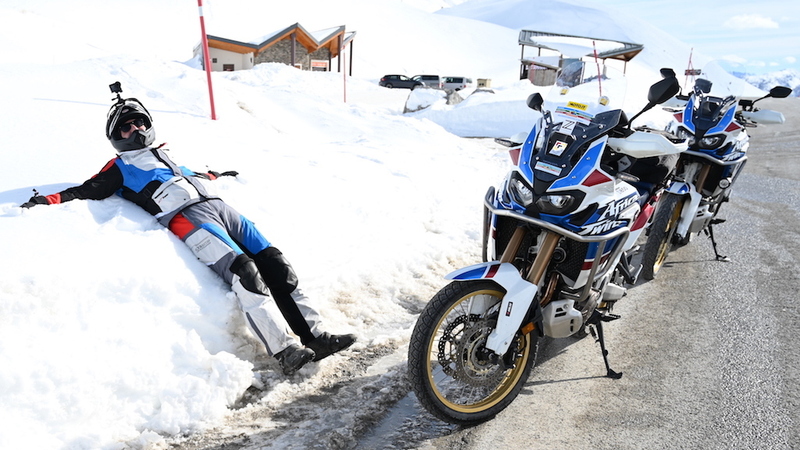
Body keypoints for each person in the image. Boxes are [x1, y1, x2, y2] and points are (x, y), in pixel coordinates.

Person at [20, 85, 355, 376]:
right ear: (115, 136)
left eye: (138, 121)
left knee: (277, 265)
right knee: (245, 273)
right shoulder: (120, 167)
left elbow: (188, 173)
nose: (134, 128)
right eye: (125, 127)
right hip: (189, 220)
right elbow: (86, 189)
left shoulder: (164, 154)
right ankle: (285, 353)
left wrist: (215, 175)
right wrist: (46, 200)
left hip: (222, 209)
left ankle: (316, 337)